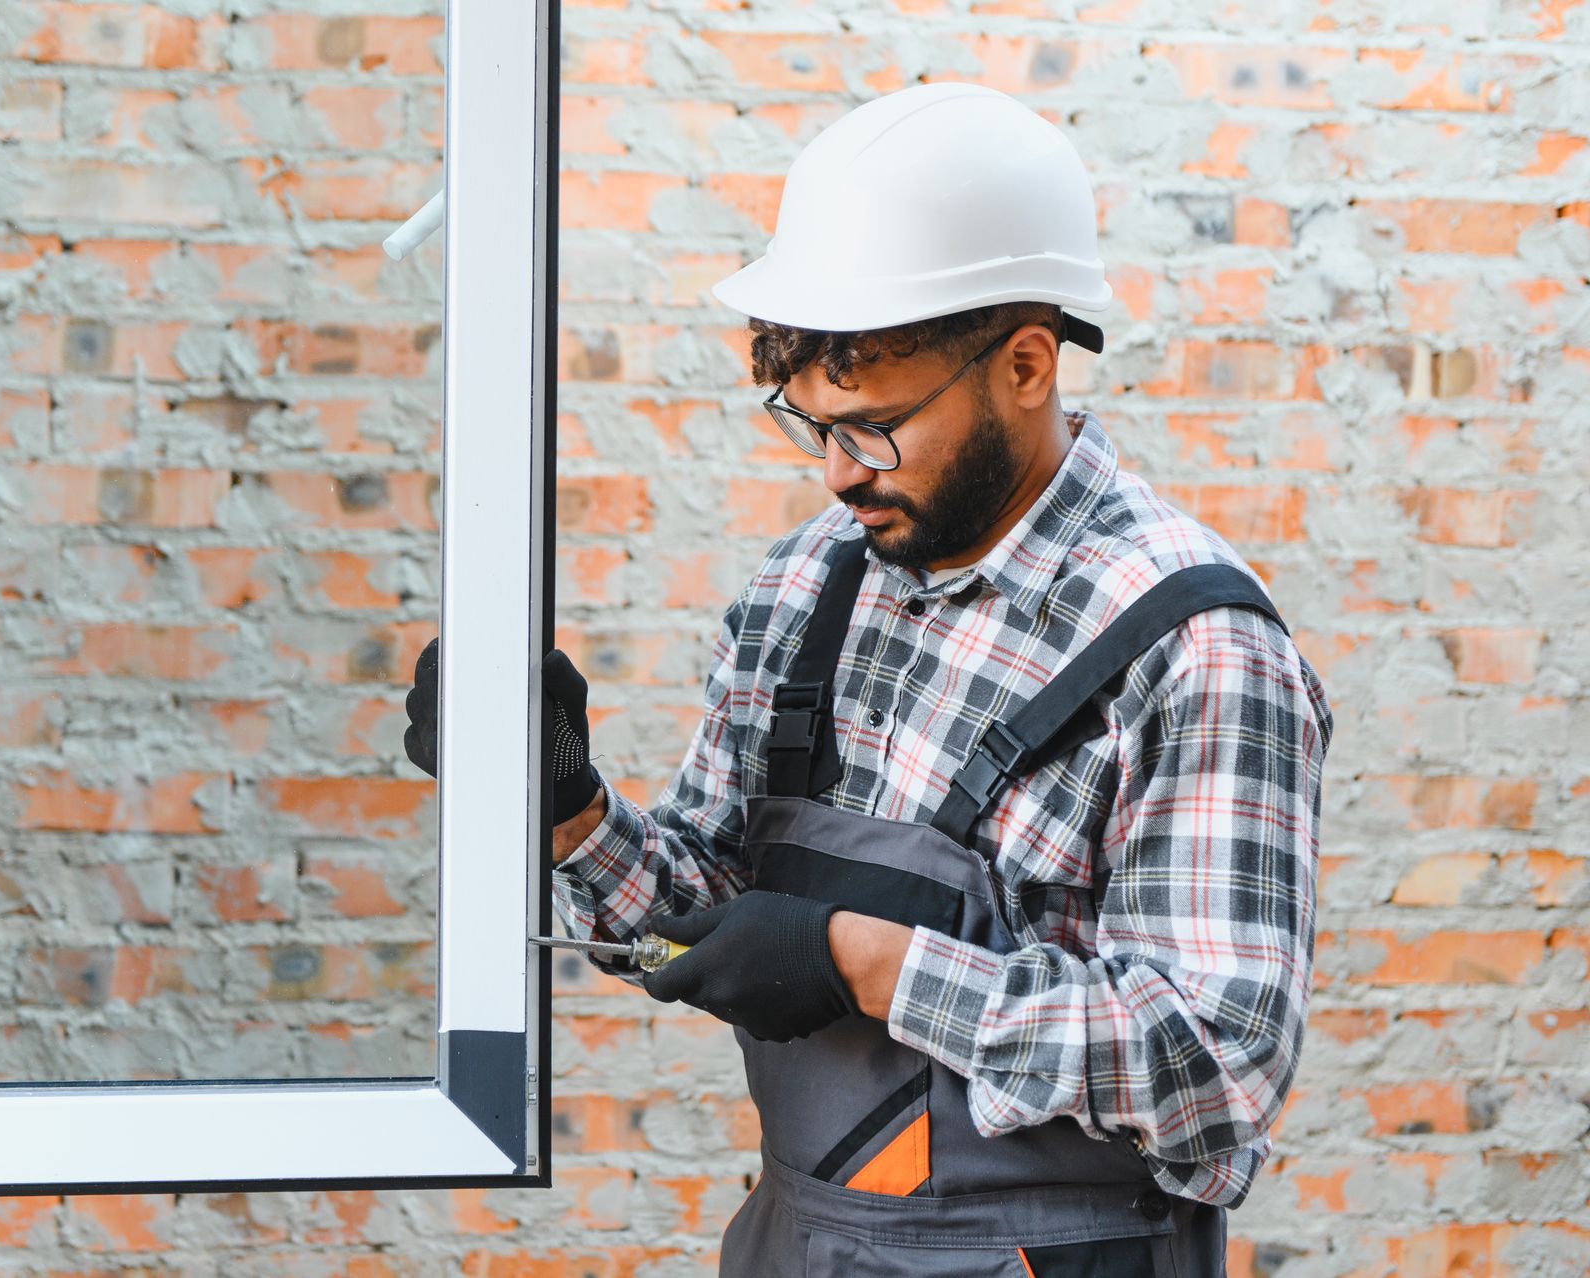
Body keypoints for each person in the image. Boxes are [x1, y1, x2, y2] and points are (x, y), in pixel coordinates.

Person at [404, 81, 1333, 1276]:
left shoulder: (1193, 646)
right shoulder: (807, 587)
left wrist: (863, 958)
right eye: (814, 424)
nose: (840, 474)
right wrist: (568, 813)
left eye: (878, 425)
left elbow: (1213, 1075)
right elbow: (719, 913)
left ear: (1029, 365)